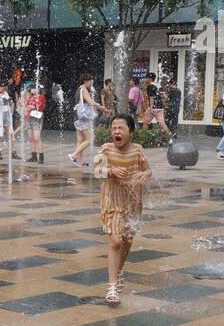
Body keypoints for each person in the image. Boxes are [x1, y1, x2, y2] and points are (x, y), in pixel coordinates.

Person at [93, 112, 153, 306]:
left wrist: (145, 175)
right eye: (114, 128)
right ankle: (111, 287)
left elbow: (148, 170)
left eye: (121, 128)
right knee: (116, 240)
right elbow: (96, 171)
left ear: (131, 131)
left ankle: (117, 276)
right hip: (112, 199)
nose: (116, 132)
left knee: (126, 240)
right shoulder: (106, 149)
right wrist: (110, 171)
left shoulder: (137, 150)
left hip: (132, 201)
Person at [69, 74, 103, 167]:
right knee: (90, 139)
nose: (91, 83)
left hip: (77, 116)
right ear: (85, 81)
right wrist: (102, 108)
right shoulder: (83, 89)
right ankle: (74, 155)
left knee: (80, 140)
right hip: (82, 117)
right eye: (90, 81)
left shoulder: (79, 89)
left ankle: (80, 161)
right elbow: (90, 102)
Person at [141, 73, 170, 137]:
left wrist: (151, 108)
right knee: (162, 123)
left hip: (153, 107)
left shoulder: (150, 86)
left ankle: (143, 137)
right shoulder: (157, 86)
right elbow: (163, 96)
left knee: (145, 121)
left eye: (146, 78)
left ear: (150, 79)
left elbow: (152, 97)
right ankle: (169, 137)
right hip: (160, 107)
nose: (145, 79)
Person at [24, 81, 46, 164]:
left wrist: (31, 107)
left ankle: (41, 155)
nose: (32, 90)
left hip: (37, 117)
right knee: (31, 137)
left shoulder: (40, 96)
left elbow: (39, 106)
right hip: (29, 117)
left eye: (33, 88)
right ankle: (34, 155)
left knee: (37, 137)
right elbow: (26, 105)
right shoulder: (30, 96)